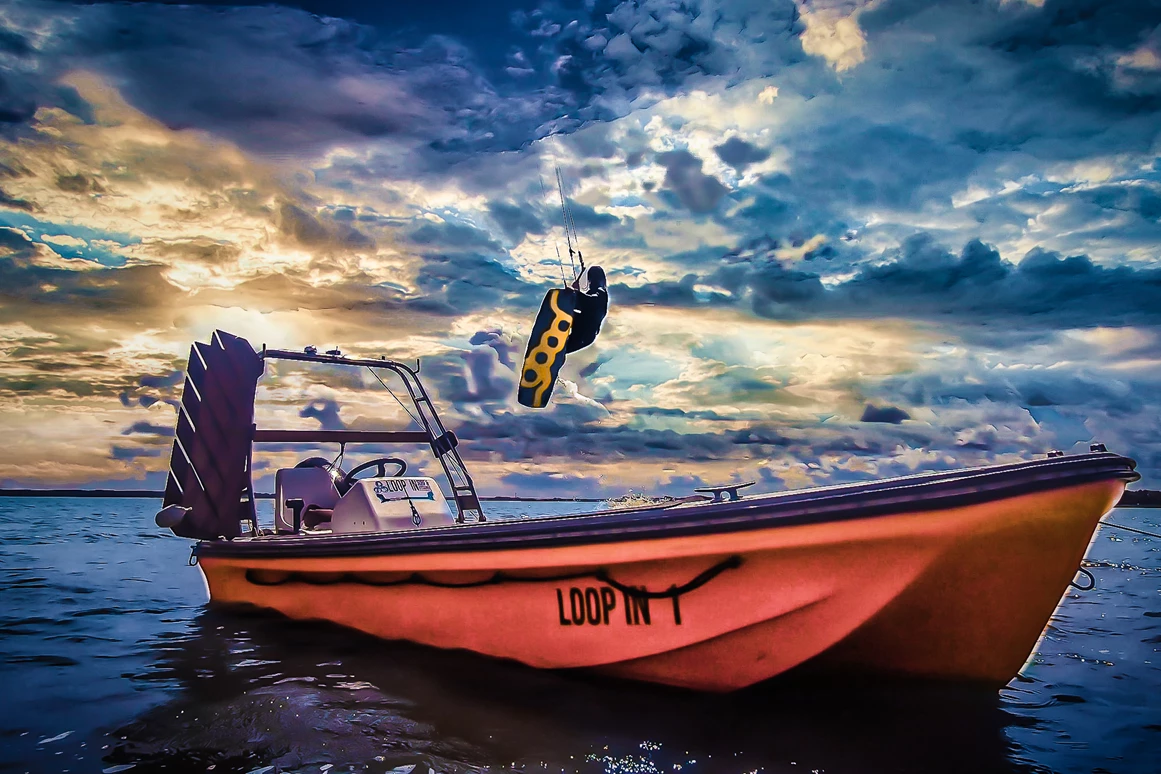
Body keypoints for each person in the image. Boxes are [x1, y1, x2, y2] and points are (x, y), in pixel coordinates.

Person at [565, 265, 608, 353]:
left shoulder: (601, 293)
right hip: (584, 333)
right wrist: (575, 292)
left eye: (592, 278)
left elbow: (590, 302)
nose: (591, 282)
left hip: (585, 335)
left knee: (560, 350)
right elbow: (583, 304)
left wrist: (574, 293)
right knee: (567, 312)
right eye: (590, 279)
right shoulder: (594, 293)